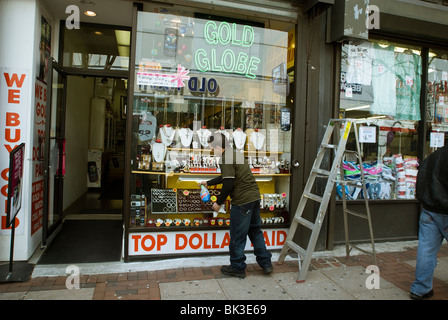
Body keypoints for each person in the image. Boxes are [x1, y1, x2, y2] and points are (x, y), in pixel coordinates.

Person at [199, 132, 272, 278]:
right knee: (255, 232)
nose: (213, 152)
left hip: (242, 201)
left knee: (237, 236)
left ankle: (237, 267)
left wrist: (218, 203)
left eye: (213, 149)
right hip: (254, 197)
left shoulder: (225, 158)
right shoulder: (235, 154)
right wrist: (209, 182)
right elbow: (227, 176)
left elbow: (228, 184)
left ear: (219, 147)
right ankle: (266, 263)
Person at [410, 144, 448, 300]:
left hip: (430, 209)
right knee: (426, 249)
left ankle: (420, 289)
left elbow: (421, 179)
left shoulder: (434, 156)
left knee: (426, 249)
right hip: (441, 209)